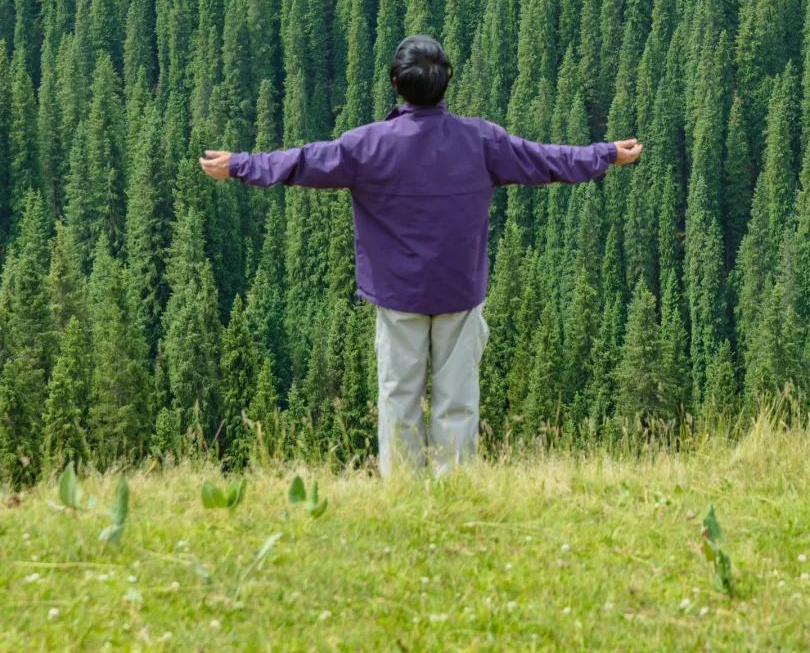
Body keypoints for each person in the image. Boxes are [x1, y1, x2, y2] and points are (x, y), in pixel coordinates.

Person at [200, 34, 642, 474]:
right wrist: (604, 154)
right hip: (459, 291)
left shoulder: (366, 145)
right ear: (448, 79)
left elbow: (301, 161)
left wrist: (239, 164)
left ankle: (404, 495)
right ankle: (451, 493)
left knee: (399, 399)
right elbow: (547, 160)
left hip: (398, 297)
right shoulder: (481, 140)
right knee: (458, 401)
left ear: (395, 83)